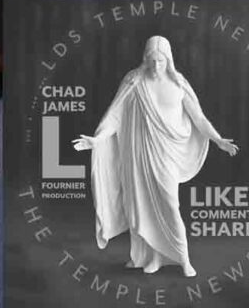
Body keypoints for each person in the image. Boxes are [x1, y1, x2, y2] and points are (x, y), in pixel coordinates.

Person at [73, 34, 238, 279]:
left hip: (166, 156)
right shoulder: (134, 82)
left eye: (160, 61)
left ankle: (183, 258)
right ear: (145, 59)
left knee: (170, 205)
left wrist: (218, 139)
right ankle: (152, 257)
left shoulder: (179, 84)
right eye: (151, 60)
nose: (155, 66)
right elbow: (115, 116)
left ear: (168, 60)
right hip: (139, 156)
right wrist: (97, 139)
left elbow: (199, 118)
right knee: (141, 206)